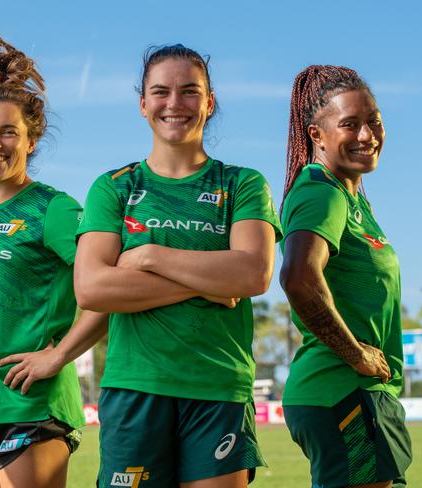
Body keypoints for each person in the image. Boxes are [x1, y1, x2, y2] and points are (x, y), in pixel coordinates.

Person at [73, 44, 282, 488]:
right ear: (143, 103)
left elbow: (253, 274)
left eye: (189, 92)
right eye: (161, 91)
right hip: (135, 389)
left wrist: (149, 257)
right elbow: (92, 288)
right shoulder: (114, 187)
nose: (175, 104)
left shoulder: (241, 184)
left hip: (217, 387)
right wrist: (208, 282)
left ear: (209, 102)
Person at [0, 36, 107, 488]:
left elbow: (108, 290)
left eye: (8, 131)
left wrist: (59, 355)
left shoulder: (52, 209)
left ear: (31, 140)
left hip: (32, 406)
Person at [278, 65, 412, 488]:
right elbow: (299, 278)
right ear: (317, 135)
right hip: (340, 390)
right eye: (350, 124)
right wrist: (355, 354)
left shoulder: (352, 197)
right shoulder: (321, 192)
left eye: (373, 121)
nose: (367, 135)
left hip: (358, 393)